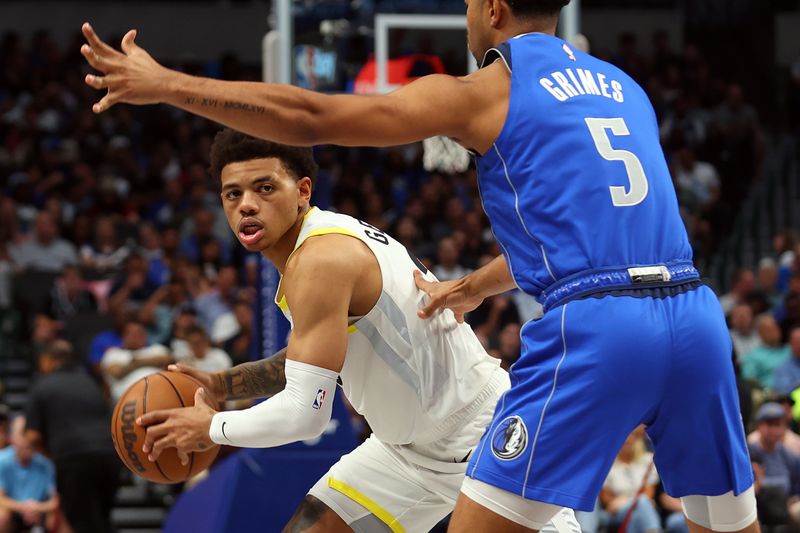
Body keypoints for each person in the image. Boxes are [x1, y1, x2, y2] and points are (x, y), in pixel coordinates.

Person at [81, 0, 758, 529]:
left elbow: (313, 112)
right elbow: (599, 238)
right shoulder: (624, 88)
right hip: (694, 315)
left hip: (574, 349)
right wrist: (474, 285)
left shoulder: (485, 90)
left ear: (492, 10)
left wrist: (166, 82)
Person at [136, 132, 578, 532]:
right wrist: (220, 384)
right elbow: (311, 358)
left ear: (303, 192)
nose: (246, 204)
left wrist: (212, 427)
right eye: (233, 194)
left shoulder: (320, 259)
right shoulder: (316, 248)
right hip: (405, 452)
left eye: (265, 188)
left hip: (484, 434)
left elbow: (305, 414)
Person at [25, 339, 120, 533]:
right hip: (110, 457)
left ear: (48, 360)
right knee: (102, 521)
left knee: (82, 525)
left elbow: (32, 437)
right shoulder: (92, 382)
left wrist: (52, 457)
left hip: (73, 460)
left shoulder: (42, 385)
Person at [0, 419, 60, 533]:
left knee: (58, 516)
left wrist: (37, 507)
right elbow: (0, 499)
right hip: (13, 511)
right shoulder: (2, 460)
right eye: (23, 434)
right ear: (13, 439)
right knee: (1, 516)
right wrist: (23, 507)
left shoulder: (45, 463)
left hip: (39, 511)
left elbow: (55, 501)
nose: (27, 440)